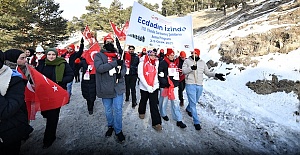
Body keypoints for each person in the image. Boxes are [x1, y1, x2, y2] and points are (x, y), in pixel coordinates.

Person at [36, 48, 74, 148]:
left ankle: (49, 139)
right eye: (49, 54)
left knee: (52, 117)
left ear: (56, 55)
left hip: (57, 93)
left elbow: (70, 75)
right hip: (44, 94)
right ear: (46, 55)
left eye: (53, 54)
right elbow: (36, 76)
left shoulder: (62, 63)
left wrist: (59, 81)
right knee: (46, 113)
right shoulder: (42, 64)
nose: (51, 56)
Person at [182, 48, 225, 130]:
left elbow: (207, 73)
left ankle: (188, 109)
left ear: (198, 54)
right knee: (193, 104)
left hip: (199, 85)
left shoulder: (202, 62)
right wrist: (191, 68)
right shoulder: (187, 61)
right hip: (190, 84)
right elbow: (184, 71)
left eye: (194, 53)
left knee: (195, 101)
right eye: (192, 53)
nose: (193, 55)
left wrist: (216, 75)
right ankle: (196, 122)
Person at [94, 35, 126, 143]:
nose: (109, 43)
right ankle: (110, 126)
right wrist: (114, 63)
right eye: (107, 41)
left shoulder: (118, 55)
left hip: (118, 87)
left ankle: (118, 130)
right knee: (108, 109)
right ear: (104, 43)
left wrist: (120, 74)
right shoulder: (99, 55)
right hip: (105, 87)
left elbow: (124, 68)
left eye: (111, 41)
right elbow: (100, 68)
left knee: (118, 110)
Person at [0, 51, 33, 155]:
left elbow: (7, 110)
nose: (25, 61)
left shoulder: (14, 79)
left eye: (25, 58)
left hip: (9, 131)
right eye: (22, 58)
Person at [158, 48, 187, 129]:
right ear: (167, 55)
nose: (173, 56)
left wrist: (176, 82)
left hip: (174, 86)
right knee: (164, 101)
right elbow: (160, 75)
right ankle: (163, 113)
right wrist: (166, 83)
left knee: (175, 102)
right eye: (171, 55)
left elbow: (176, 74)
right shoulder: (163, 63)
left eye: (173, 55)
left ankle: (178, 119)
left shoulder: (174, 63)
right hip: (166, 86)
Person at [138, 50, 162, 131]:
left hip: (154, 87)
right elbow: (141, 75)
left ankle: (156, 122)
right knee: (143, 100)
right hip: (144, 87)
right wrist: (147, 86)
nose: (153, 57)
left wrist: (156, 85)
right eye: (151, 55)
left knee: (154, 104)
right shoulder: (142, 63)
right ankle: (141, 111)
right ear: (147, 55)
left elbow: (157, 74)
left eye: (154, 55)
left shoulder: (157, 63)